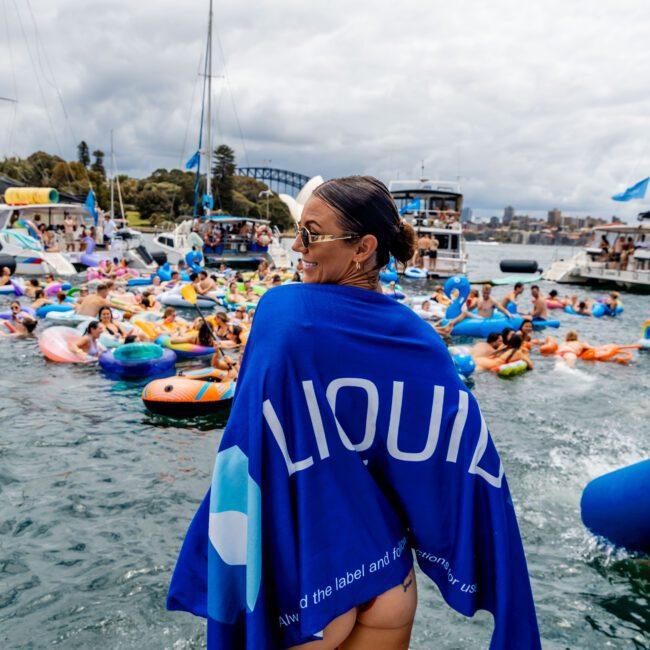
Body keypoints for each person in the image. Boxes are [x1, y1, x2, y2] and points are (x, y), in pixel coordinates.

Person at [167, 175, 540, 650]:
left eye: (311, 233)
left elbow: (250, 443)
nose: (296, 245)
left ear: (363, 247)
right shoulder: (420, 341)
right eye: (298, 231)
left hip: (307, 577)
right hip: (389, 579)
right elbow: (457, 464)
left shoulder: (283, 313)